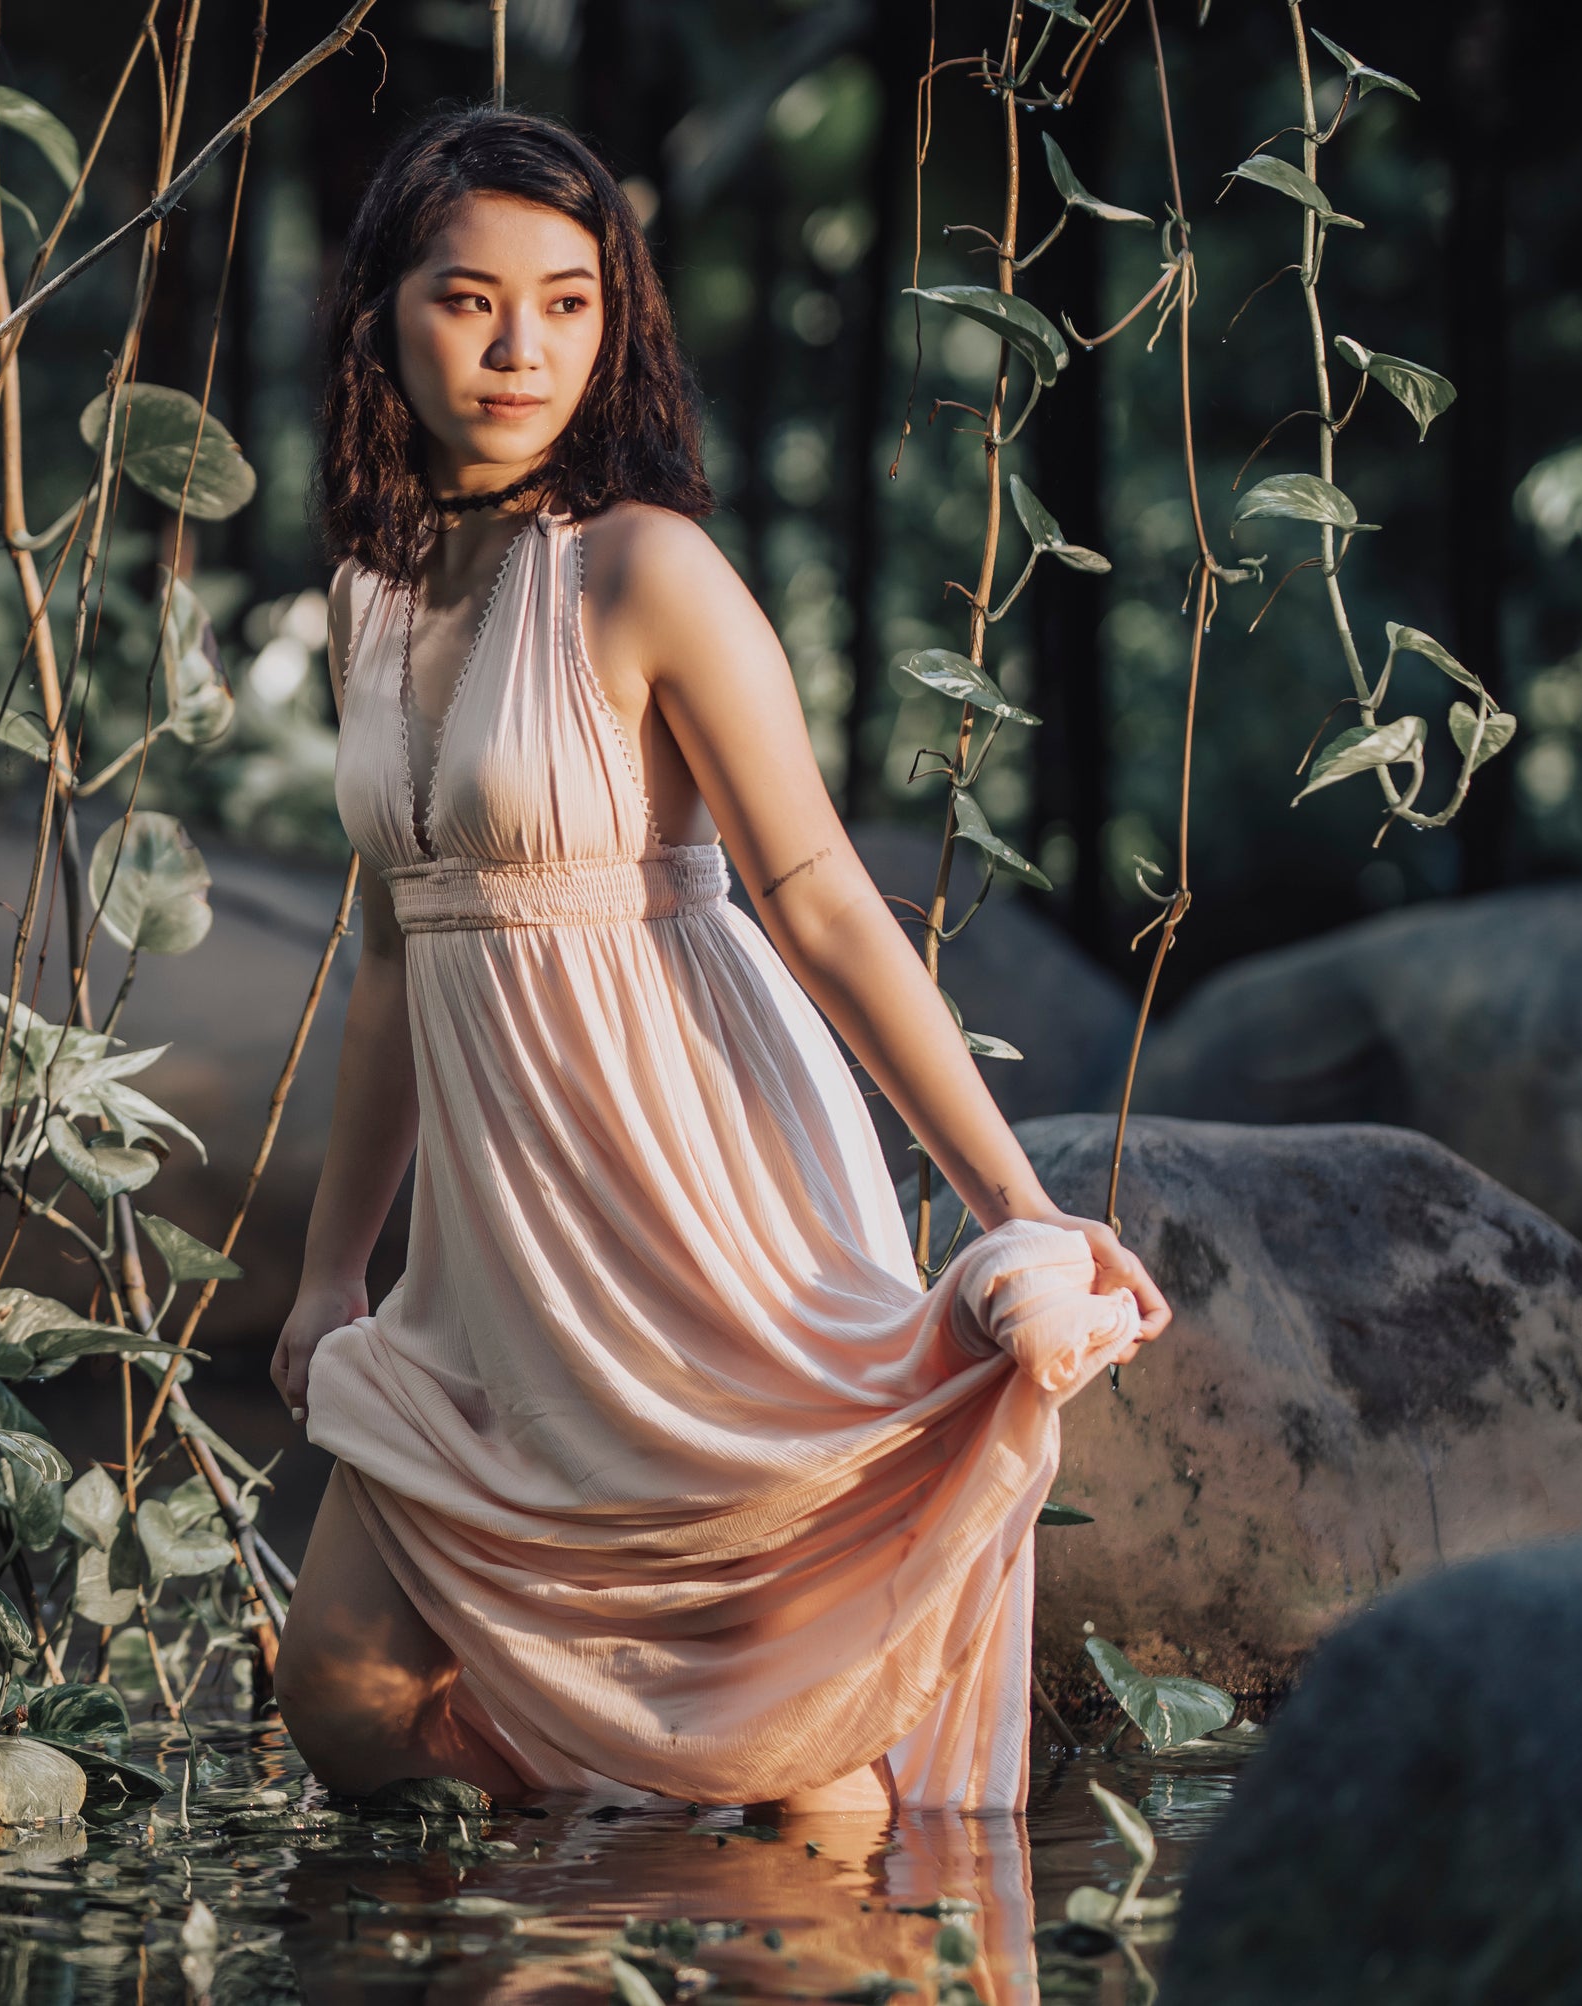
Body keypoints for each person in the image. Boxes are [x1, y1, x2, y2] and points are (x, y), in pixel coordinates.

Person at [266, 104, 1175, 1817]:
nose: (520, 345)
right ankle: (560, 1932)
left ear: (617, 323)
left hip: (693, 1187)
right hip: (490, 1246)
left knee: (782, 1737)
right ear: (381, 310)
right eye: (467, 299)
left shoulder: (644, 570)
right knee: (343, 1695)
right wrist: (332, 1275)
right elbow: (393, 951)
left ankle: (803, 1930)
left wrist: (1015, 1209)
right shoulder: (368, 598)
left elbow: (821, 895)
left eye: (568, 299)